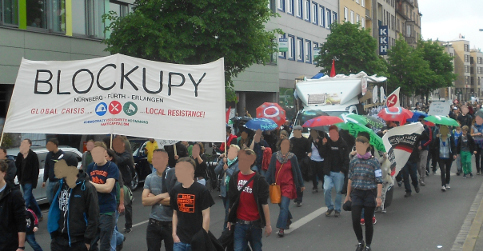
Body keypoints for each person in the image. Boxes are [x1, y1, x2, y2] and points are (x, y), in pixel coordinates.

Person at [48, 153, 99, 251]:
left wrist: (88, 240)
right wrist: (54, 236)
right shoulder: (58, 186)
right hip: (59, 240)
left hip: (79, 241)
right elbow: (56, 211)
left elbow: (94, 215)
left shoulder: (87, 188)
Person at [344, 132, 383, 251]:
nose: (358, 148)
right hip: (357, 193)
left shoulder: (374, 161)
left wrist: (379, 197)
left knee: (368, 221)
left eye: (360, 146)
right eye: (357, 146)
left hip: (369, 193)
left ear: (367, 146)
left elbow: (379, 180)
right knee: (355, 219)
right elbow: (350, 178)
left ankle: (368, 245)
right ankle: (360, 241)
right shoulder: (354, 161)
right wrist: (347, 195)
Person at [227, 148, 272, 251]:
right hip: (239, 224)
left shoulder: (259, 180)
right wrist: (229, 220)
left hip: (255, 224)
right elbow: (232, 201)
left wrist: (268, 224)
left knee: (257, 248)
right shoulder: (235, 177)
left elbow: (264, 204)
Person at [170, 157, 215, 251]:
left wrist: (202, 238)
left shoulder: (202, 190)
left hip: (196, 240)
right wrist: (174, 234)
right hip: (179, 241)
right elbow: (175, 213)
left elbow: (206, 216)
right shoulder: (175, 190)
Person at [265, 138, 305, 237]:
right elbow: (270, 171)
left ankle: (281, 228)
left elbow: (297, 171)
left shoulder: (293, 157)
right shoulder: (275, 156)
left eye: (287, 144)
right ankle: (288, 218)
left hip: (288, 185)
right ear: (280, 145)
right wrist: (264, 183)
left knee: (284, 205)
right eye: (283, 144)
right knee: (282, 206)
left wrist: (301, 184)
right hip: (277, 186)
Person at [87, 142, 120, 251]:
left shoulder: (112, 167)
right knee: (90, 243)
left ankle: (119, 239)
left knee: (105, 245)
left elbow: (108, 188)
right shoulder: (91, 167)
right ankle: (119, 238)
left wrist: (90, 184)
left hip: (107, 211)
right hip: (93, 211)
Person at [142, 149, 174, 251]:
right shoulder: (149, 178)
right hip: (153, 224)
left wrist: (153, 198)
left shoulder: (174, 177)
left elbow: (174, 201)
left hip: (171, 224)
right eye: (153, 158)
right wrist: (161, 196)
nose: (154, 161)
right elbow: (144, 201)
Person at [0, 160, 27, 251]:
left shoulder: (14, 194)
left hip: (9, 243)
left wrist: (20, 246)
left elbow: (21, 221)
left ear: (4, 173)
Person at [323, 125, 349, 217]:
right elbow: (322, 154)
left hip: (339, 172)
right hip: (328, 171)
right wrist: (324, 145)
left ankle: (337, 209)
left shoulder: (343, 144)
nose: (332, 134)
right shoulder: (327, 142)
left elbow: (346, 158)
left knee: (338, 191)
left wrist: (343, 170)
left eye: (334, 132)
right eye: (330, 133)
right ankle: (330, 207)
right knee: (326, 189)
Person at [15, 139, 42, 220]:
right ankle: (39, 214)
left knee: (26, 199)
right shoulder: (20, 155)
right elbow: (17, 167)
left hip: (29, 181)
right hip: (22, 180)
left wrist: (34, 182)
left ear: (29, 144)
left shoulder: (33, 155)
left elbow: (35, 169)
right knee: (31, 199)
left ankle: (22, 217)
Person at [214, 144, 240, 228]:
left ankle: (226, 229)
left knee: (227, 211)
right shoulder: (225, 161)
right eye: (229, 150)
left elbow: (235, 176)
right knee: (228, 208)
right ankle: (234, 223)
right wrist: (222, 162)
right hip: (224, 189)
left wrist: (227, 170)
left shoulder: (238, 164)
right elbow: (216, 171)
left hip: (232, 190)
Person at [112, 136, 134, 234]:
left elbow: (120, 160)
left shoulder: (126, 154)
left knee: (127, 203)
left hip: (125, 181)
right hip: (115, 181)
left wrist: (112, 154)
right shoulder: (114, 154)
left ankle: (128, 225)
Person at [106, 149, 126, 251]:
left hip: (114, 202)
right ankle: (120, 238)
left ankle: (112, 248)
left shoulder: (115, 170)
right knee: (106, 228)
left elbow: (121, 188)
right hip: (103, 204)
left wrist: (121, 203)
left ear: (110, 158)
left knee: (111, 228)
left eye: (106, 156)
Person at [290, 125, 311, 207]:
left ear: (300, 131)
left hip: (301, 162)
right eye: (293, 130)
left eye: (295, 130)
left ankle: (299, 199)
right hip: (292, 161)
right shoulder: (291, 140)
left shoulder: (305, 141)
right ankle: (295, 196)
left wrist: (307, 159)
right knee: (292, 180)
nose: (294, 131)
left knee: (299, 180)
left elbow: (309, 151)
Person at [432, 125, 457, 191]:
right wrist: (436, 138)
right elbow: (434, 146)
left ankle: (447, 182)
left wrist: (454, 154)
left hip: (448, 156)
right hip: (440, 156)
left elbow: (453, 146)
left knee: (447, 170)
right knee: (442, 171)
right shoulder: (438, 138)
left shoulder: (450, 137)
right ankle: (443, 185)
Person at [42, 138, 64, 204]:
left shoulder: (62, 154)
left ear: (55, 145)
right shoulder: (49, 155)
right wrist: (44, 180)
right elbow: (47, 167)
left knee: (59, 198)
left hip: (59, 180)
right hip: (51, 181)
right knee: (50, 198)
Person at [418, 117, 432, 185]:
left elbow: (430, 139)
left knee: (422, 165)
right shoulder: (416, 128)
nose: (421, 121)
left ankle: (422, 178)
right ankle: (420, 176)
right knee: (417, 165)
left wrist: (423, 146)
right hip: (417, 149)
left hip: (424, 149)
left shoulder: (427, 128)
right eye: (420, 120)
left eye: (422, 120)